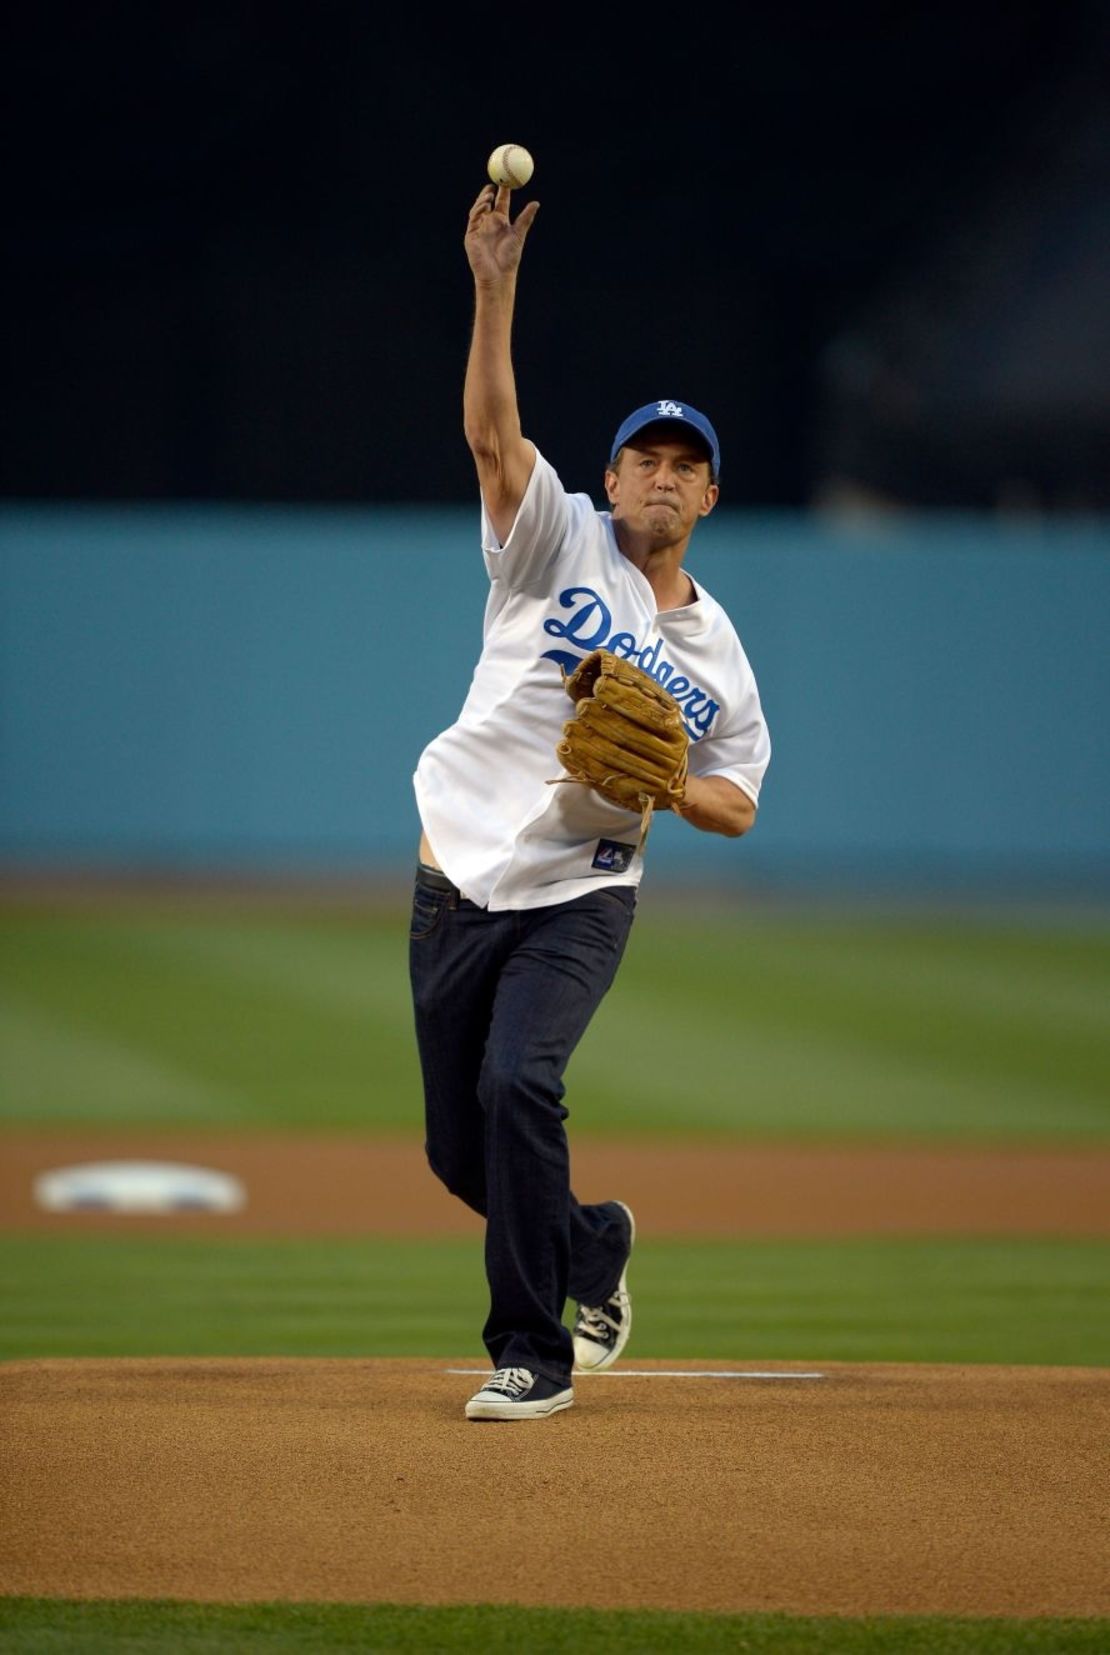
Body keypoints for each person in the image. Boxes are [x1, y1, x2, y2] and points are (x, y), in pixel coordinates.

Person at [409, 177, 771, 1422]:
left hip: (584, 889)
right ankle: (592, 1241)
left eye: (688, 467)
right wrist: (492, 288)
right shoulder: (552, 535)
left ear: (709, 498)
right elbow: (492, 434)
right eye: (645, 459)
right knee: (459, 1151)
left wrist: (669, 781)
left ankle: (531, 1348)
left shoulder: (718, 653)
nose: (663, 479)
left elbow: (739, 804)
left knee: (519, 1085)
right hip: (455, 872)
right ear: (610, 479)